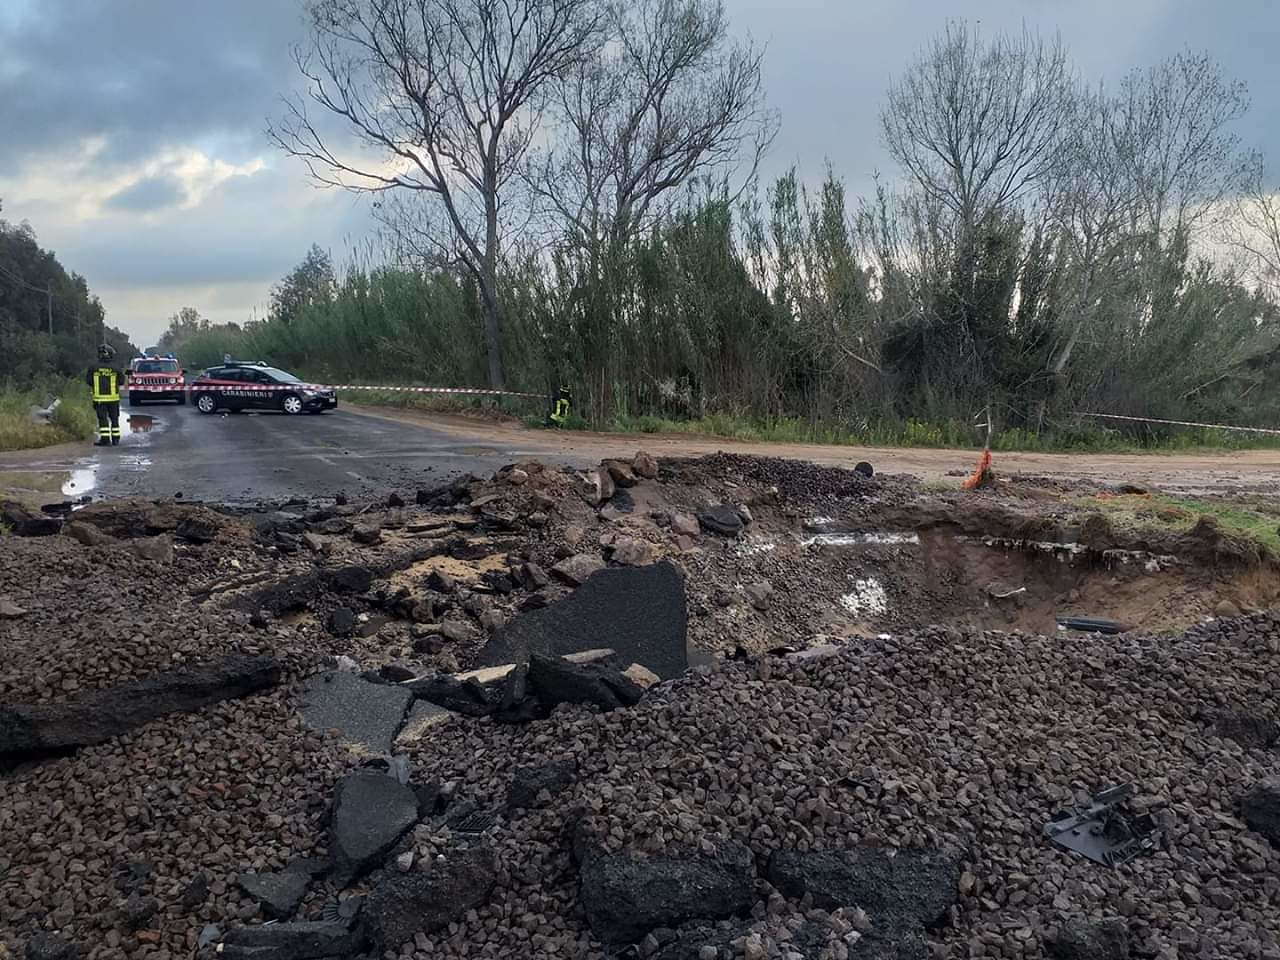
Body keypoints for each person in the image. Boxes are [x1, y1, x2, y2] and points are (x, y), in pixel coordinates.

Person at [86, 344, 125, 446]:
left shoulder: (93, 367)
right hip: (114, 399)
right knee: (114, 419)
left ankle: (105, 440)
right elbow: (121, 381)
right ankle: (116, 439)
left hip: (100, 400)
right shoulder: (116, 367)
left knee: (103, 420)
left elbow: (89, 381)